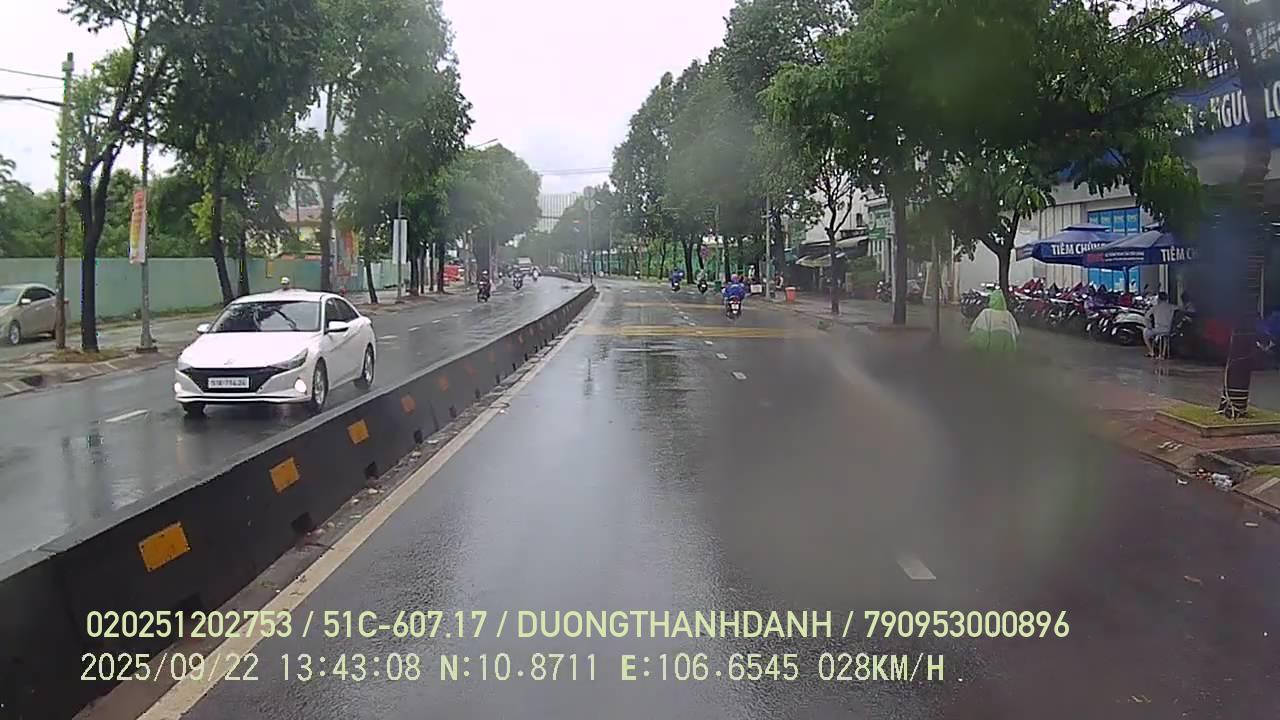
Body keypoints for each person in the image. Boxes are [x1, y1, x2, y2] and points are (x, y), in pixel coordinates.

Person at [967, 288, 1019, 353]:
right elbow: (1016, 332)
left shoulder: (986, 313)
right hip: (1006, 349)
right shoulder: (1008, 315)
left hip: (990, 349)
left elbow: (978, 329)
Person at [1144, 291, 1177, 357]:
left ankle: (1151, 351)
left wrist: (1149, 326)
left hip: (1157, 329)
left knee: (1145, 332)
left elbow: (1146, 317)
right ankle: (1164, 352)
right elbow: (1181, 309)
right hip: (1168, 329)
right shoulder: (1172, 307)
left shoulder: (1155, 307)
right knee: (1165, 337)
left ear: (1159, 299)